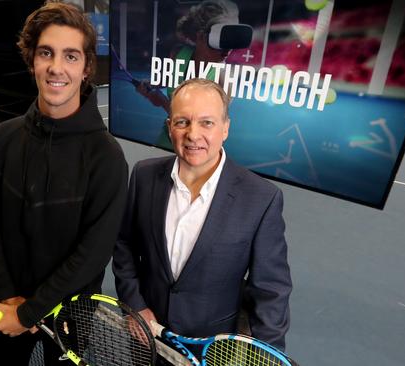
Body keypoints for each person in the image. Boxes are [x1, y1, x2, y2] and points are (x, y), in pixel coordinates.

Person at [0, 1, 128, 365]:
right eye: (46, 53)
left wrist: (30, 312)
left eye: (71, 56)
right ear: (32, 60)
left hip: (70, 314)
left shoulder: (107, 157)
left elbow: (92, 254)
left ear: (87, 67)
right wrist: (12, 298)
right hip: (8, 304)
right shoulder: (2, 139)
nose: (56, 67)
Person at [113, 78, 292, 352]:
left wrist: (268, 357)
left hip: (211, 348)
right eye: (182, 122)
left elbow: (271, 292)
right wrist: (136, 306)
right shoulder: (143, 175)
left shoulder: (261, 198)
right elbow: (124, 245)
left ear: (225, 129)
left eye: (206, 123)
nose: (193, 134)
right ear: (169, 127)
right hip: (145, 334)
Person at [136, 0, 251, 148]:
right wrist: (151, 85)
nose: (228, 49)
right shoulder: (178, 54)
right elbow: (167, 80)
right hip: (168, 137)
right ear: (200, 37)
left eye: (231, 38)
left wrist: (162, 102)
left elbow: (200, 126)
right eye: (221, 38)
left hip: (198, 148)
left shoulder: (224, 80)